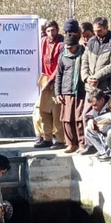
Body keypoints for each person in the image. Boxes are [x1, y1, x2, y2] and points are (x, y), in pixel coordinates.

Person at [32, 20, 66, 149]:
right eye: (48, 31)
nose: (51, 33)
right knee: (43, 111)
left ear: (57, 29)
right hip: (44, 78)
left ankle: (60, 140)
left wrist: (51, 81)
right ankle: (47, 138)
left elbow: (60, 65)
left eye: (53, 30)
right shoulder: (43, 41)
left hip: (57, 80)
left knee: (56, 112)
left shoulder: (62, 43)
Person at [55, 32, 87, 154]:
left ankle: (82, 143)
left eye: (71, 47)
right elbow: (59, 75)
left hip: (80, 91)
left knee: (79, 119)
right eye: (67, 48)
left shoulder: (83, 54)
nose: (69, 50)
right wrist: (58, 93)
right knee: (67, 119)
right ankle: (71, 144)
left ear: (76, 45)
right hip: (66, 92)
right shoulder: (63, 56)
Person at [81, 16, 111, 96]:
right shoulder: (91, 41)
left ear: (106, 27)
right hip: (90, 89)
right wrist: (86, 78)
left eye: (99, 30)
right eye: (95, 31)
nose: (97, 33)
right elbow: (84, 61)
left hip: (107, 90)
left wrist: (96, 77)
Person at [81, 89, 111, 158]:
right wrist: (90, 121)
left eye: (95, 105)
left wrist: (104, 128)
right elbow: (93, 118)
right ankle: (103, 151)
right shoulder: (96, 108)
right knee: (88, 129)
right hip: (102, 130)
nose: (93, 108)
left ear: (102, 100)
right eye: (92, 106)